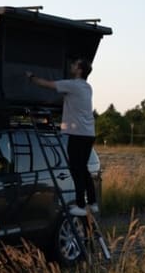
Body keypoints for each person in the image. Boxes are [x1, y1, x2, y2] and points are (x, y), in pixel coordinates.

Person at [26, 58, 98, 216]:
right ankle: (92, 202)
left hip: (77, 134)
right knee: (83, 168)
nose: (71, 66)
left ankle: (80, 205)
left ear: (79, 70)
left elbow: (47, 84)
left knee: (76, 169)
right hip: (88, 133)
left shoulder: (72, 85)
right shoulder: (87, 87)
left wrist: (31, 77)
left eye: (74, 64)